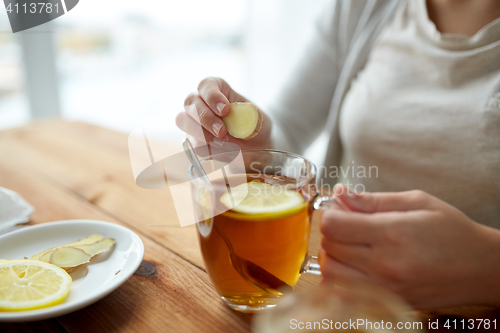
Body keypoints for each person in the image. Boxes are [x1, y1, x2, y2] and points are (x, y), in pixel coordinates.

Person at [176, 0, 500, 309]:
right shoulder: (362, 6)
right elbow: (289, 128)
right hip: (349, 299)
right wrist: (255, 148)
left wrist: (487, 267)